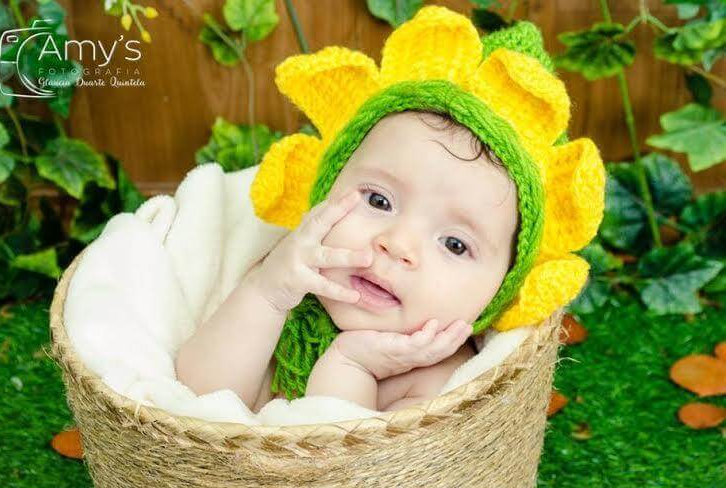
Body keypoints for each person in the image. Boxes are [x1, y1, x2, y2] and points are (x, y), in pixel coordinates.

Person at [175, 5, 606, 414]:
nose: (397, 245)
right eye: (378, 201)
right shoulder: (287, 284)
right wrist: (266, 293)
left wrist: (352, 364)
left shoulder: (439, 377)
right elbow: (194, 400)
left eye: (455, 244)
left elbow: (348, 472)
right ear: (326, 189)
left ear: (502, 289)